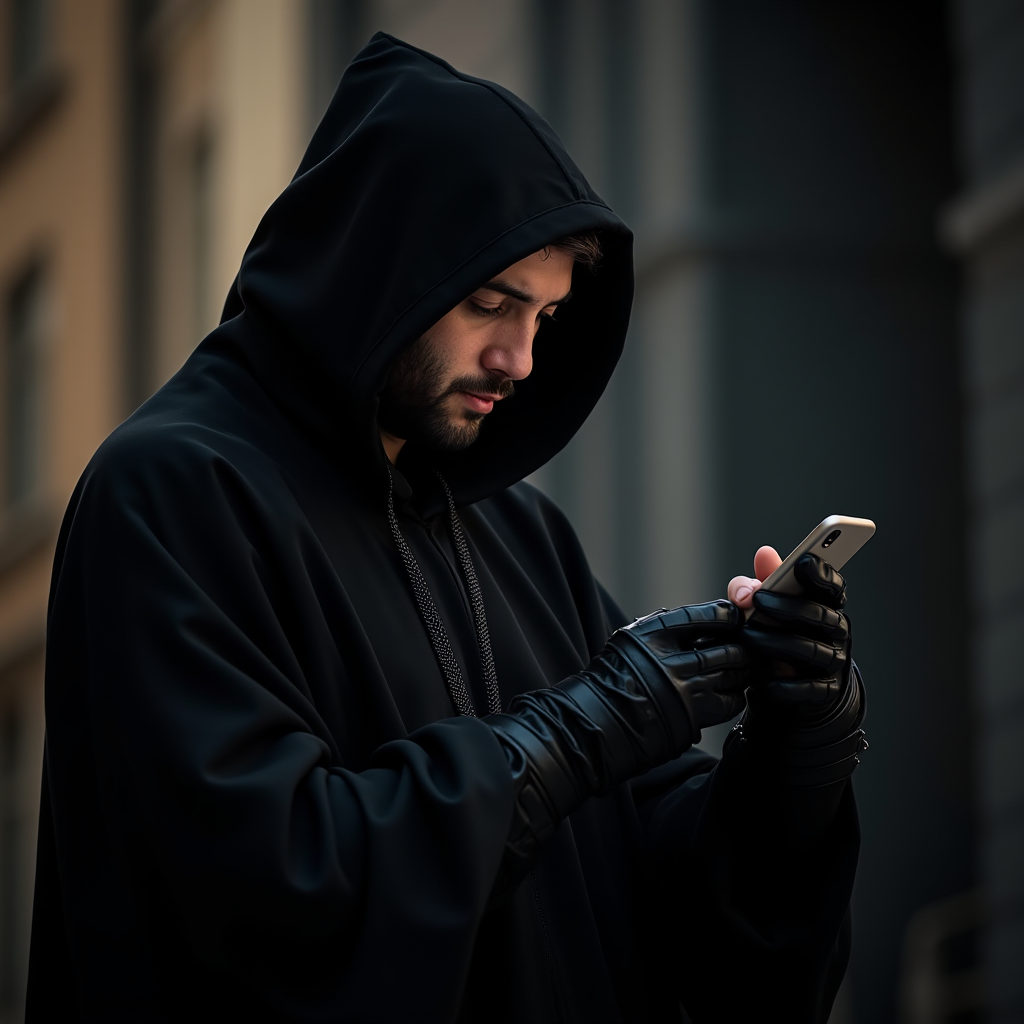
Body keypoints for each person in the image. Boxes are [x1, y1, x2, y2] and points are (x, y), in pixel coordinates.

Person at [27, 33, 865, 1023]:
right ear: (374, 268)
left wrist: (790, 744)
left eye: (545, 319)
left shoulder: (516, 531)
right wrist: (588, 723)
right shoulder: (172, 492)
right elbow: (257, 898)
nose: (517, 358)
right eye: (489, 303)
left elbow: (651, 888)